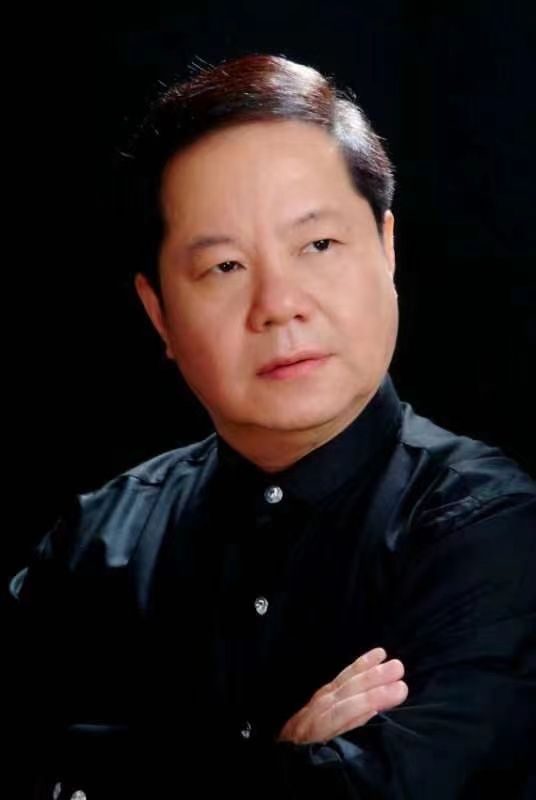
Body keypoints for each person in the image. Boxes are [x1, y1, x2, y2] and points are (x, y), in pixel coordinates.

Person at [9, 53, 536, 800]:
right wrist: (284, 763)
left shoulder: (490, 530)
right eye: (225, 267)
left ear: (386, 249)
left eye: (318, 246)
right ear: (159, 312)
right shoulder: (96, 544)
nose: (279, 304)